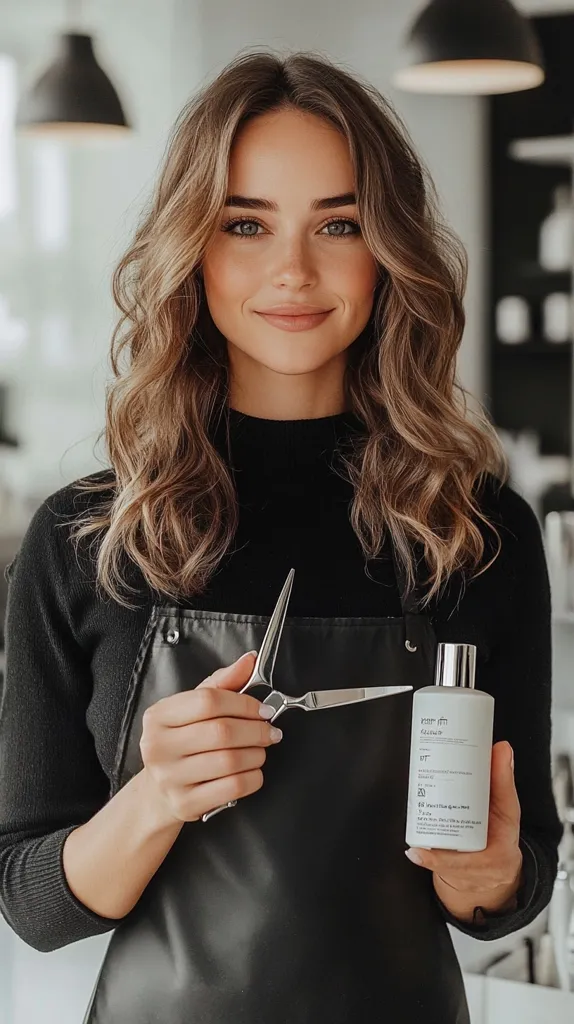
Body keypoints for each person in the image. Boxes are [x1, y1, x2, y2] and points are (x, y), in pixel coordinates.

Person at [0, 49, 563, 1024]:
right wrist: (154, 796)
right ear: (193, 249)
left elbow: (506, 896)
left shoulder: (476, 532)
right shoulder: (86, 537)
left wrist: (489, 870)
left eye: (337, 224)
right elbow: (33, 907)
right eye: (246, 224)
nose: (292, 270)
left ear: (388, 250)